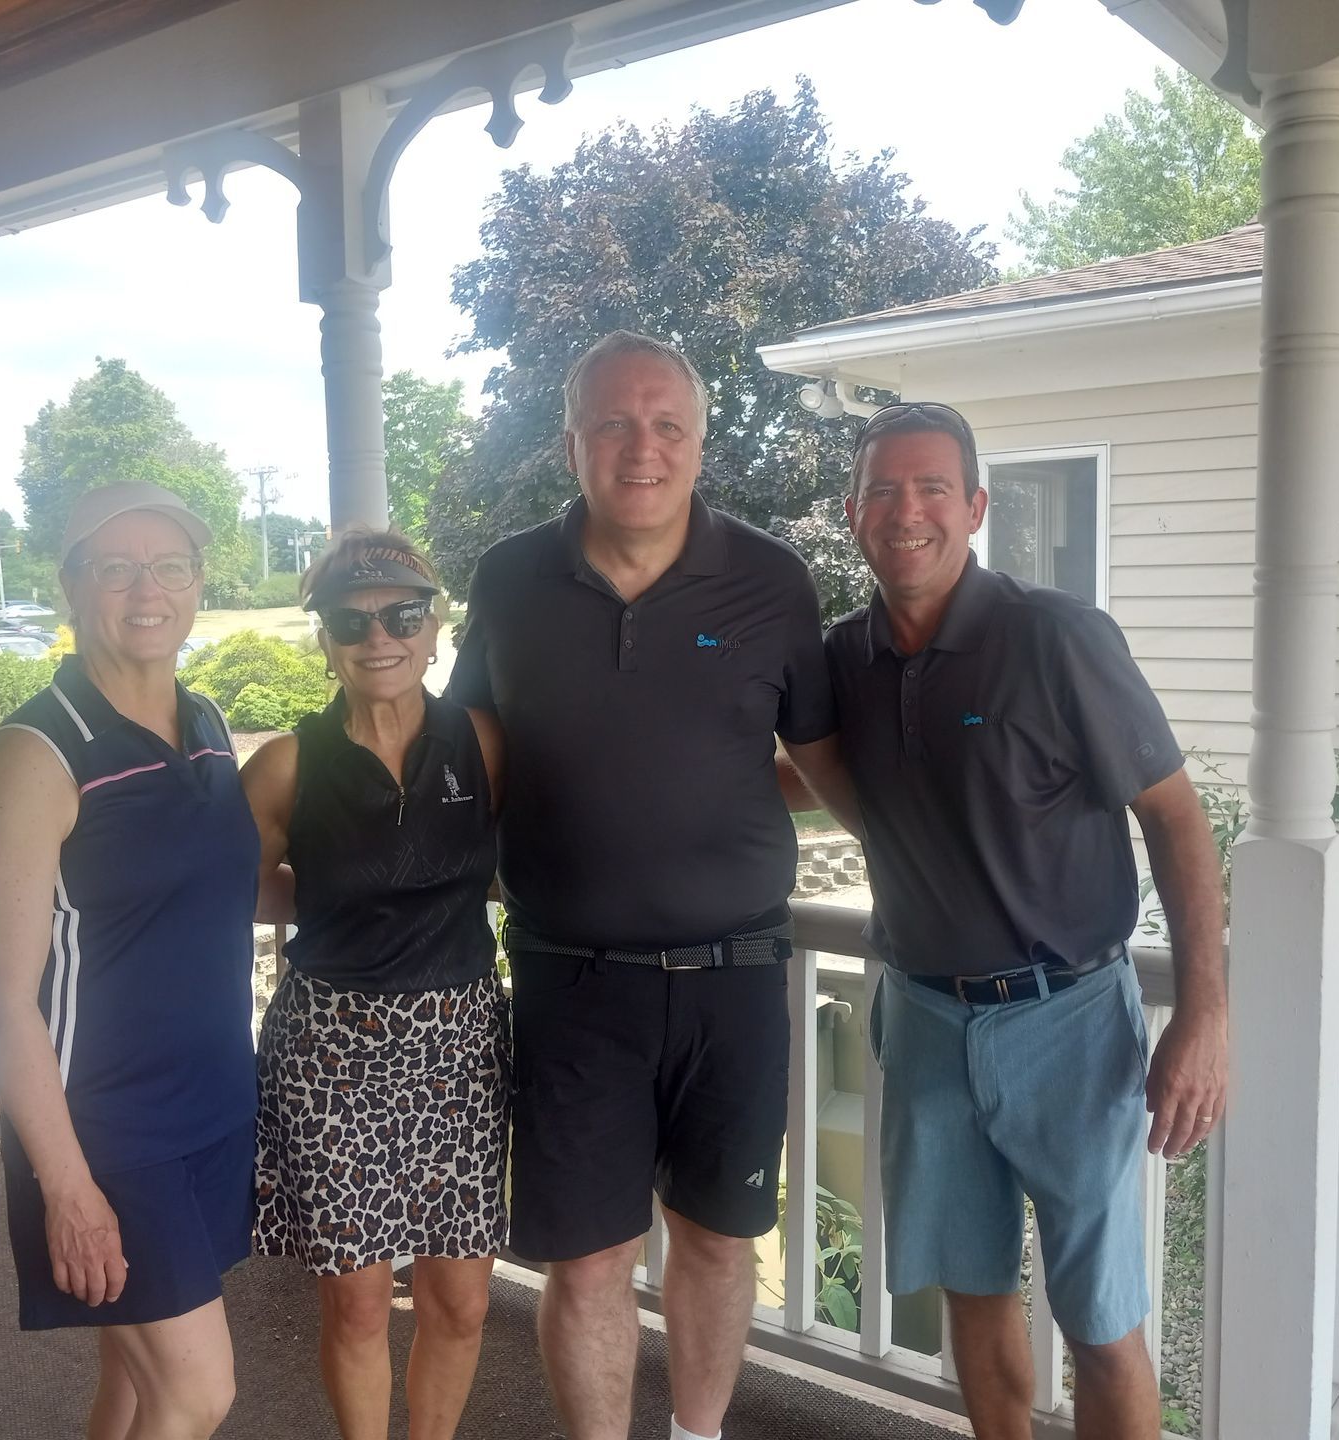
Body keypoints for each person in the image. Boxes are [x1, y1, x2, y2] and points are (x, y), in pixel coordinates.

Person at [446, 331, 840, 1440]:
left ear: (701, 444)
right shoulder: (511, 576)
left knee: (718, 1240)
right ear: (573, 441)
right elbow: (475, 742)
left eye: (667, 423)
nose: (642, 446)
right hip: (572, 982)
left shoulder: (771, 579)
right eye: (614, 422)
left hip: (737, 973)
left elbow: (820, 756)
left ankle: (700, 1436)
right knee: (588, 1261)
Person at [826, 402, 1227, 1440]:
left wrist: (1202, 1017)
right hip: (924, 1020)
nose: (904, 510)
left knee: (1100, 1319)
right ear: (852, 511)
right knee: (972, 1291)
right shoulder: (843, 662)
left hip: (1072, 1022)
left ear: (974, 507)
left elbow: (1179, 823)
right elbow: (817, 774)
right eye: (881, 488)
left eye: (929, 488)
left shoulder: (1055, 637)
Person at [0, 482, 258, 1440]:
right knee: (195, 1392)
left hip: (212, 1105)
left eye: (169, 565)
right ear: (70, 585)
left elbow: (213, 891)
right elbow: (3, 999)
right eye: (116, 567)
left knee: (132, 1388)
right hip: (109, 1133)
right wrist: (68, 1188)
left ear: (199, 583)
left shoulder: (204, 722)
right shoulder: (32, 754)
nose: (146, 589)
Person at [239, 530, 508, 1440]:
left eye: (402, 614)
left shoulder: (482, 743)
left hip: (462, 1043)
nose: (378, 636)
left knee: (462, 1302)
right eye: (351, 621)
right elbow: (230, 889)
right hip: (331, 1052)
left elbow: (537, 858)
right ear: (324, 639)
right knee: (356, 1306)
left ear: (436, 630)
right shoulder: (287, 764)